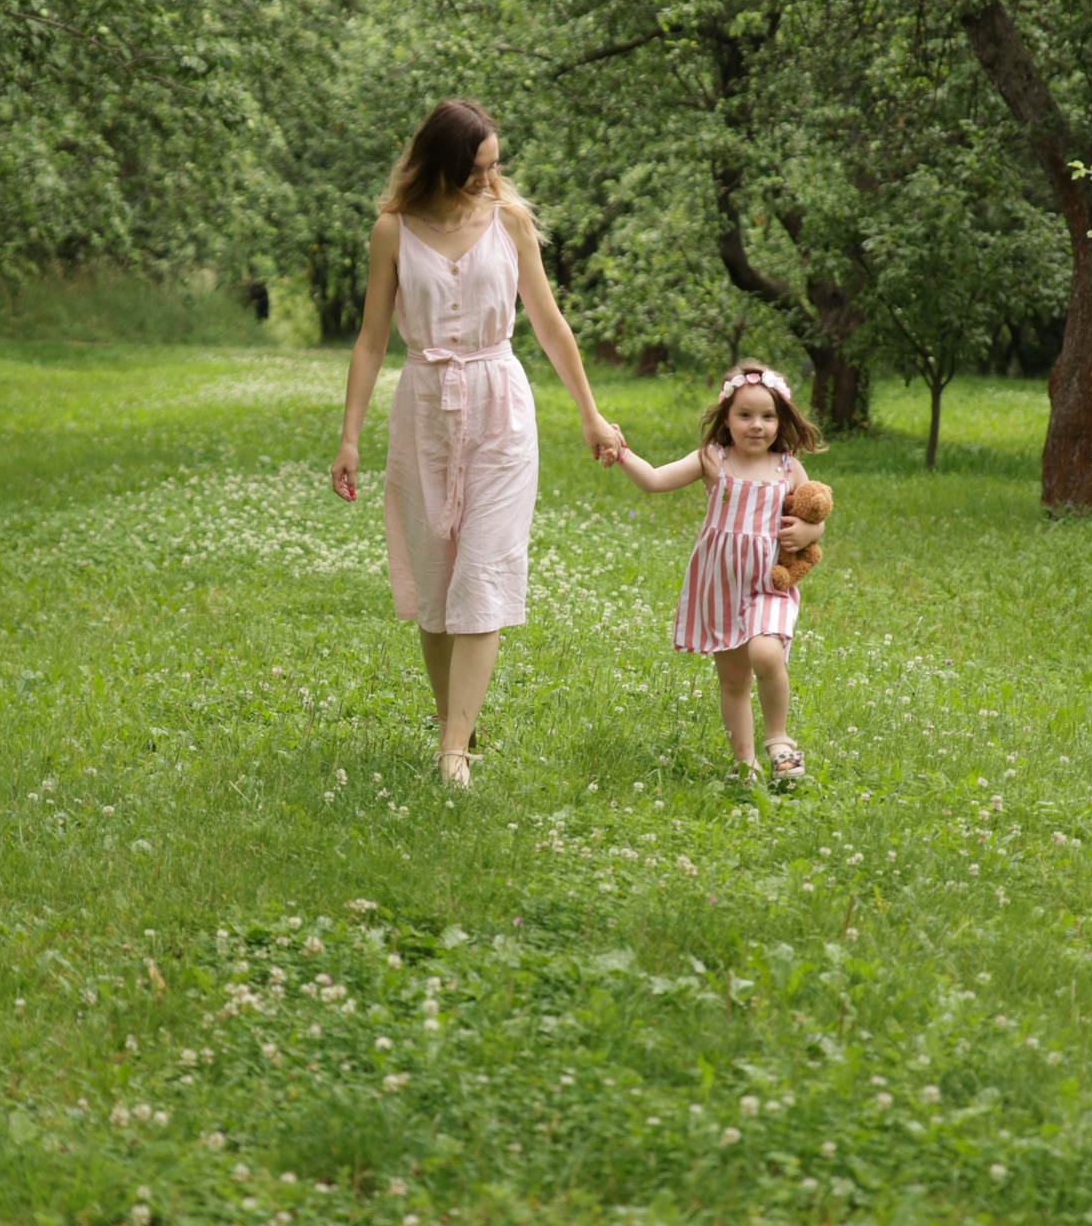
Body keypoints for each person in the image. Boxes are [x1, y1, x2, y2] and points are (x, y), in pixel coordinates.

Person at [331, 100, 626, 786]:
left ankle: (453, 752)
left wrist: (591, 415)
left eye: (495, 166)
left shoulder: (510, 222)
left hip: (500, 409)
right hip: (425, 410)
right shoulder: (392, 231)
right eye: (475, 169)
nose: (488, 180)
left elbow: (551, 326)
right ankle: (455, 727)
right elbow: (372, 338)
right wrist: (349, 437)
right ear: (438, 165)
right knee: (436, 586)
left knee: (482, 574)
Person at [610, 360, 827, 785]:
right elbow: (655, 480)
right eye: (744, 415)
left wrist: (809, 529)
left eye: (767, 416)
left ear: (780, 421)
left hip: (769, 584)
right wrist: (622, 452)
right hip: (720, 587)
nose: (756, 425)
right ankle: (744, 763)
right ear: (726, 418)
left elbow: (814, 515)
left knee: (766, 652)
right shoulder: (713, 460)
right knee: (732, 681)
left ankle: (779, 742)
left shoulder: (788, 468)